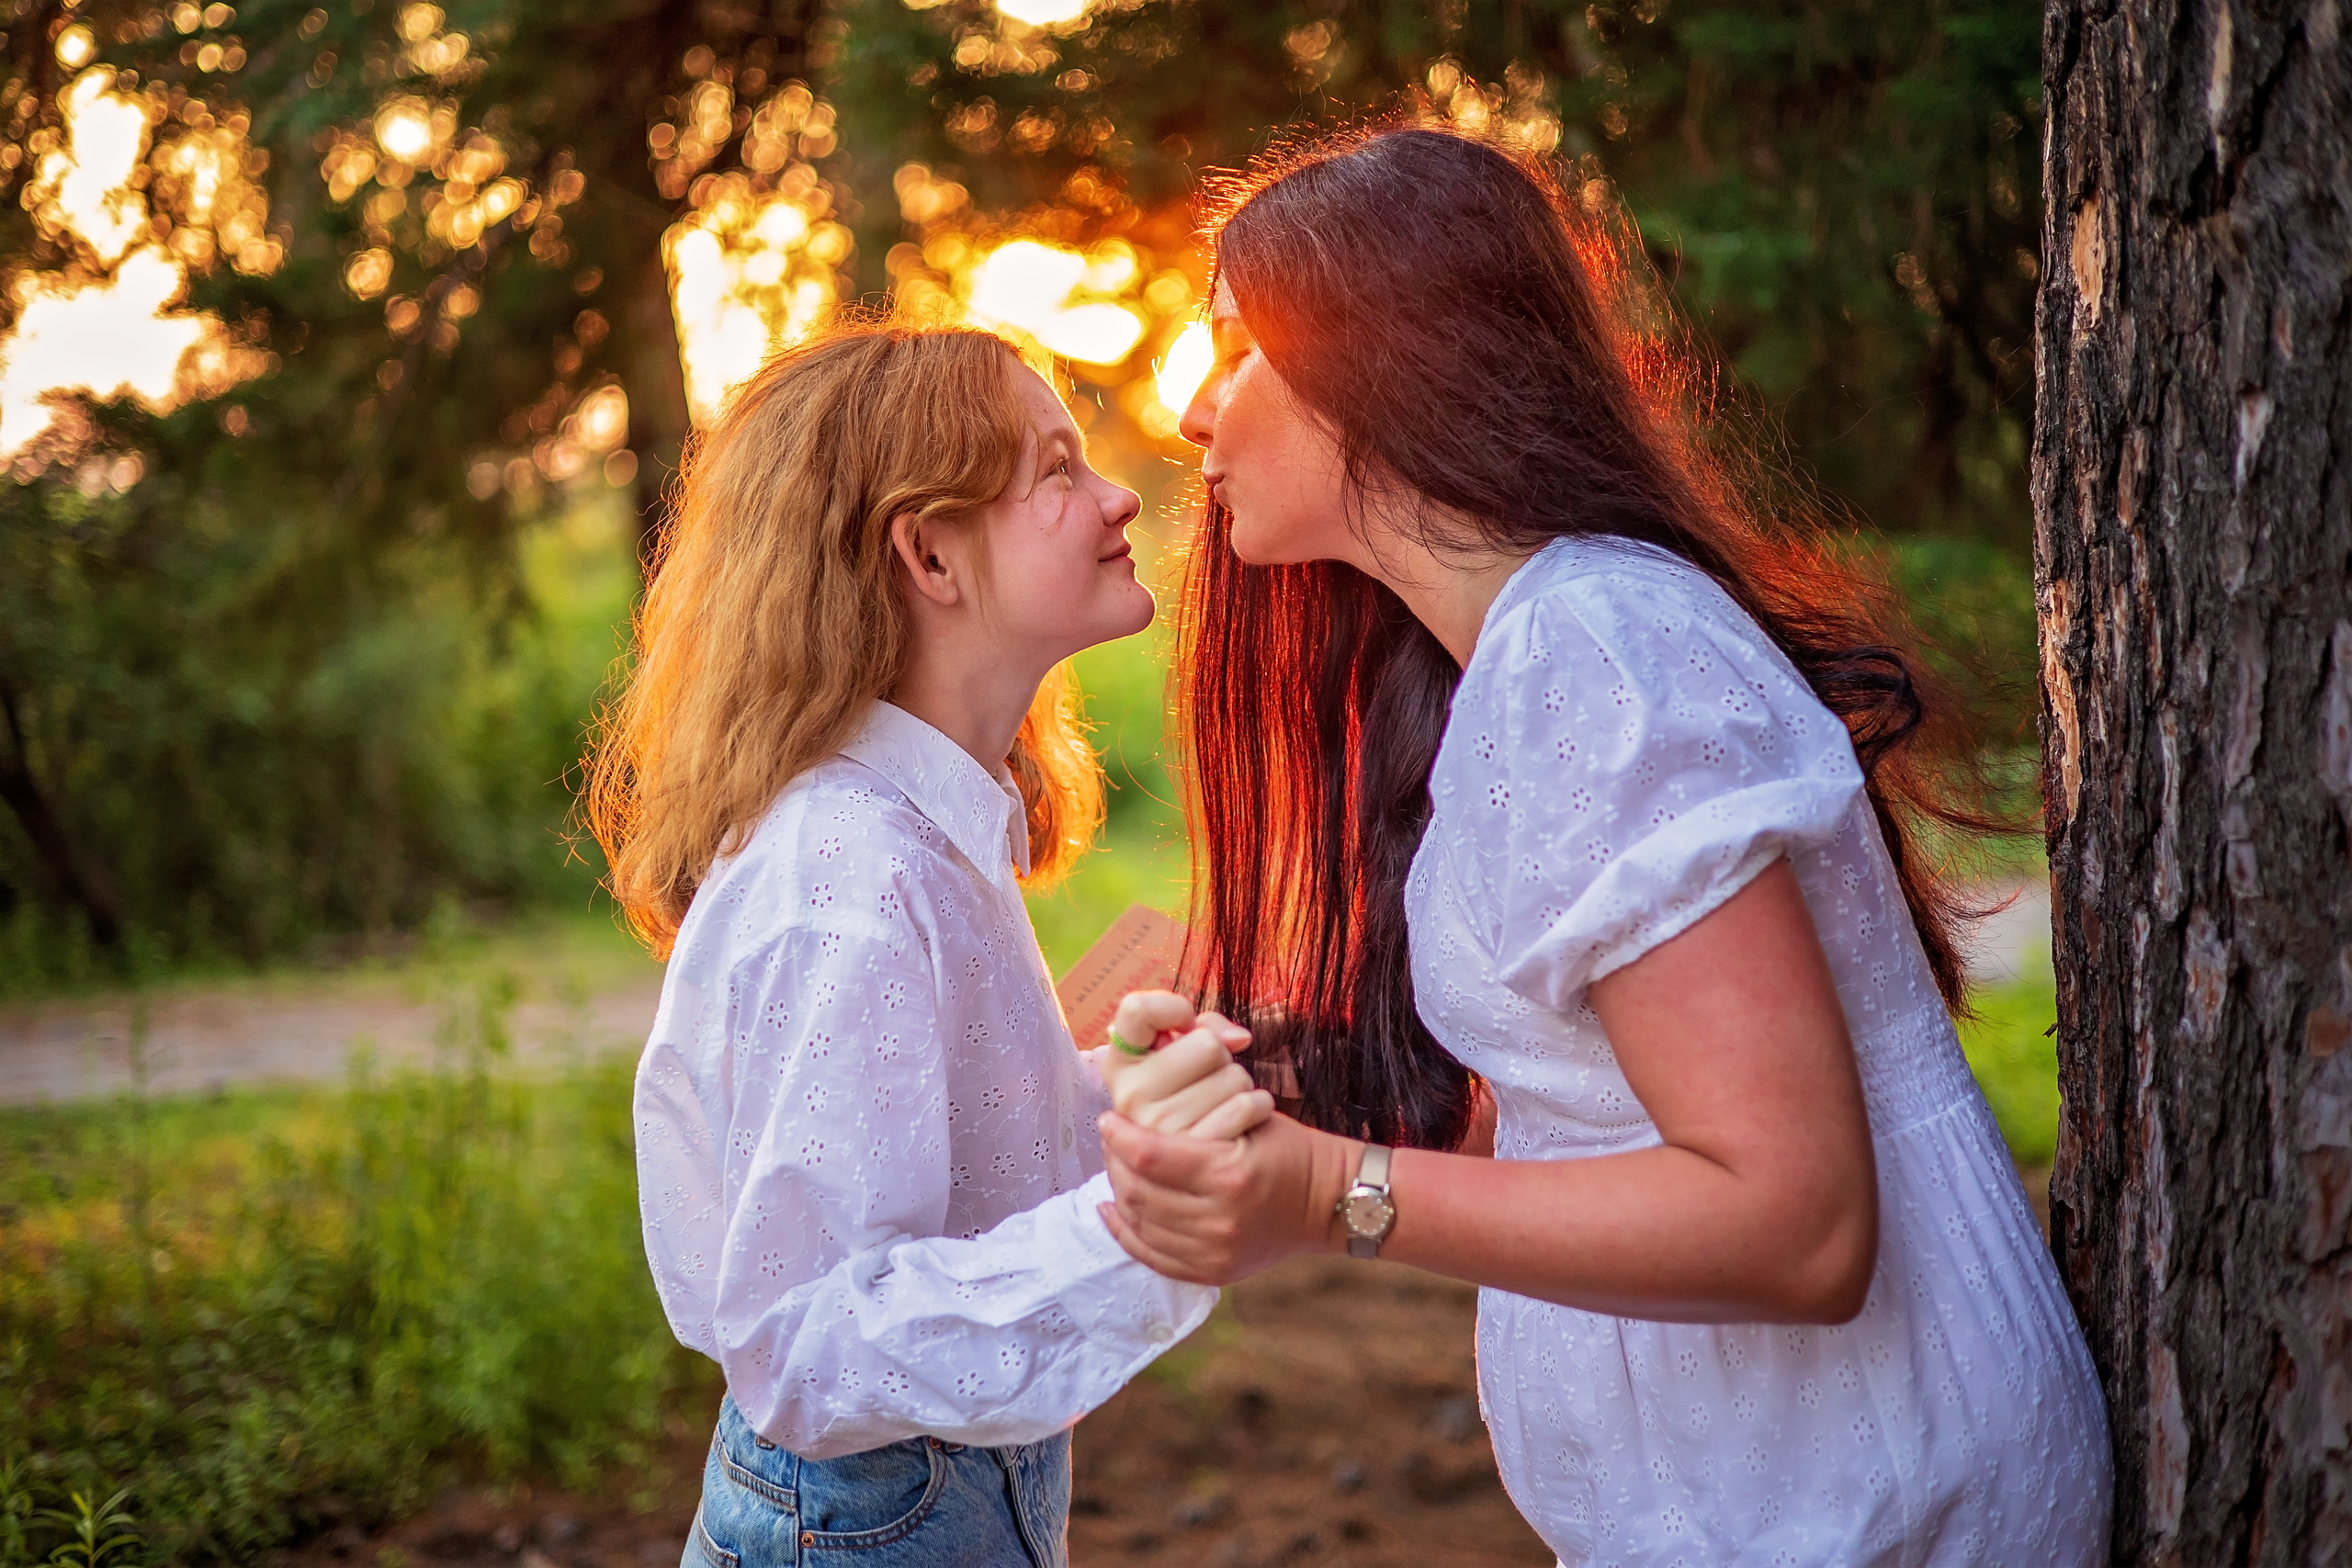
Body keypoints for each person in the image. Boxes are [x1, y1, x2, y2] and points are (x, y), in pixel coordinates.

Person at [1098, 127, 2111, 1565]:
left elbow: (1795, 1227)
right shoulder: (1525, 658)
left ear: (1378, 368)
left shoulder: (1602, 650)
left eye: (1231, 347)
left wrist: (1329, 1196)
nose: (1195, 416)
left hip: (1863, 1509)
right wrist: (1284, 1085)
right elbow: (1606, 1104)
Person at [583, 324, 1272, 1568]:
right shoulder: (851, 875)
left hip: (928, 1495)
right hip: (872, 1523)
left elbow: (948, 1170)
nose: (1120, 492)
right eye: (1056, 469)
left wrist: (1128, 1091)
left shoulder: (922, 827)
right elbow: (812, 1344)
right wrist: (1152, 1218)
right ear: (930, 552)